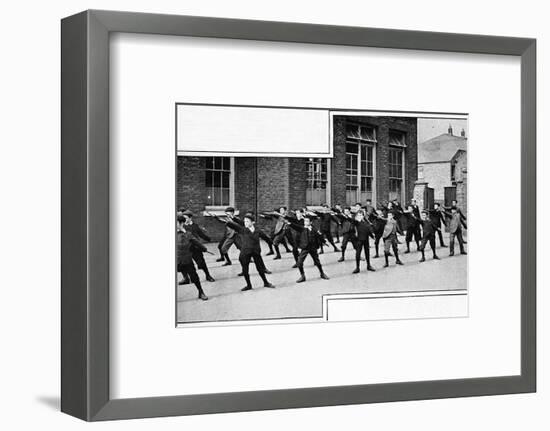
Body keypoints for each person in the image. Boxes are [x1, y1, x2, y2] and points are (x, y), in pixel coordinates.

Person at [214, 213, 274, 291]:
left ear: (253, 222)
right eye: (245, 221)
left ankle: (266, 282)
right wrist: (222, 220)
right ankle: (249, 285)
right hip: (245, 253)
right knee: (245, 270)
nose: (245, 223)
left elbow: (267, 239)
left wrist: (272, 242)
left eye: (247, 221)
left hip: (256, 252)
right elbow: (231, 224)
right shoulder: (242, 230)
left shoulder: (258, 231)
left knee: (260, 269)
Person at [285, 214, 329, 283]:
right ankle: (302, 276)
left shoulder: (314, 229)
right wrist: (289, 223)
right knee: (299, 262)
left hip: (313, 247)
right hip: (305, 248)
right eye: (305, 221)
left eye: (307, 221)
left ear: (310, 222)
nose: (305, 223)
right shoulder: (302, 228)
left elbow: (319, 235)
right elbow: (296, 226)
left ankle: (322, 273)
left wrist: (324, 241)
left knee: (317, 262)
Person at [176, 215, 208, 301]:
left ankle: (201, 292)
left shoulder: (188, 234)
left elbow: (196, 242)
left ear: (181, 223)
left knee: (194, 277)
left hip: (186, 259)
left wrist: (204, 249)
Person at [181, 210, 215, 283]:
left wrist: (208, 239)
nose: (184, 220)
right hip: (186, 249)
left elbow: (201, 234)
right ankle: (186, 278)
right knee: (184, 264)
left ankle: (208, 275)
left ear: (190, 218)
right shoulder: (182, 226)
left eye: (186, 218)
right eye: (183, 218)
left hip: (196, 248)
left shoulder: (195, 226)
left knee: (201, 263)